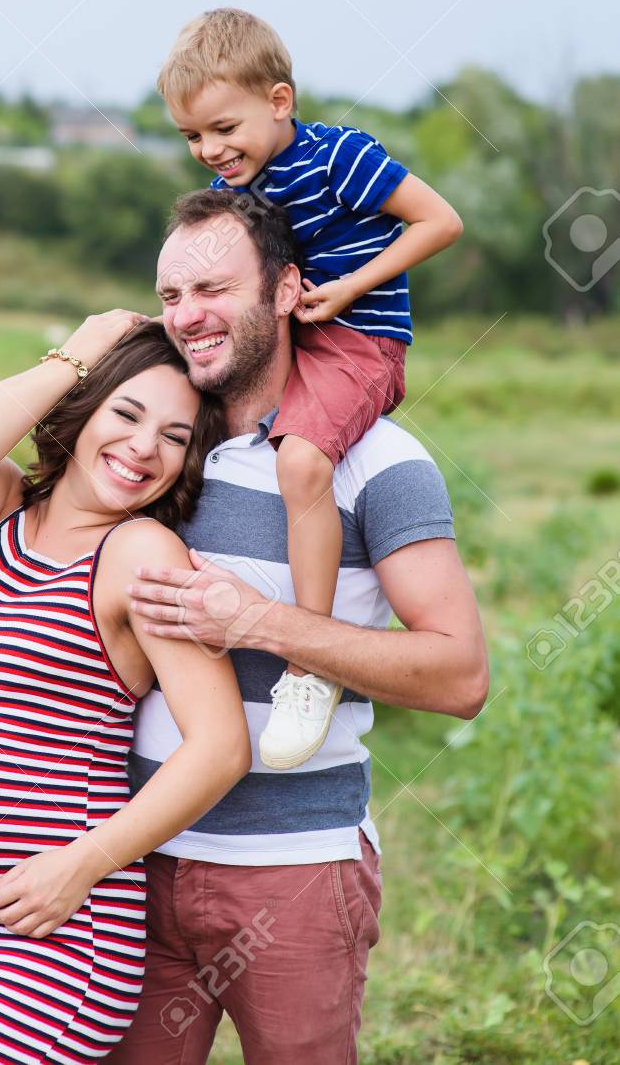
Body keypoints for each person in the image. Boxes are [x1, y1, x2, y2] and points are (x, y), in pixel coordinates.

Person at [107, 187, 489, 1064]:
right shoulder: (153, 447)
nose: (188, 318)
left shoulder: (379, 462)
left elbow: (460, 677)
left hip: (296, 873)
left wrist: (261, 623)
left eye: (213, 291)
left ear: (286, 290)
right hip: (130, 868)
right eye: (170, 298)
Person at [0, 315, 252, 1064]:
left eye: (175, 436)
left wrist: (82, 864)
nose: (143, 447)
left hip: (49, 930)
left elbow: (220, 747)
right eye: (126, 414)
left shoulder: (137, 551)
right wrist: (79, 350)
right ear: (82, 405)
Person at [156, 7, 465, 769]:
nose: (210, 150)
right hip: (293, 331)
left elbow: (439, 221)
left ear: (280, 102)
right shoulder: (235, 183)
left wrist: (349, 287)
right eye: (193, 137)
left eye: (223, 128)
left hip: (358, 336)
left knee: (299, 462)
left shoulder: (339, 158)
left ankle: (307, 664)